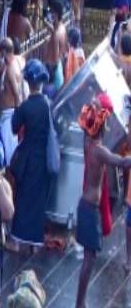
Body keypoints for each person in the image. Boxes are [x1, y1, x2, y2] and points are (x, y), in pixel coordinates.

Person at [75, 94, 131, 308]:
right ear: (101, 126)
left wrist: (94, 107)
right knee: (89, 260)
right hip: (89, 209)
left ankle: (81, 302)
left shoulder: (87, 142)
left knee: (90, 259)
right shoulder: (99, 151)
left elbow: (86, 122)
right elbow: (121, 162)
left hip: (87, 207)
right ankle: (80, 304)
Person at [8, 60, 53, 252]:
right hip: (42, 159)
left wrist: (19, 103)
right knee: (37, 200)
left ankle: (17, 240)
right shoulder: (47, 105)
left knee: (23, 198)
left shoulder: (26, 106)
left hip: (27, 159)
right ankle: (35, 243)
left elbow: (13, 127)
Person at [0, 38, 23, 165]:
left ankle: (10, 184)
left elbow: (17, 96)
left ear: (5, 52)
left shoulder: (10, 69)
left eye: (1, 52)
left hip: (9, 118)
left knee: (9, 159)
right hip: (6, 117)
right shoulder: (11, 63)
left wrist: (16, 122)